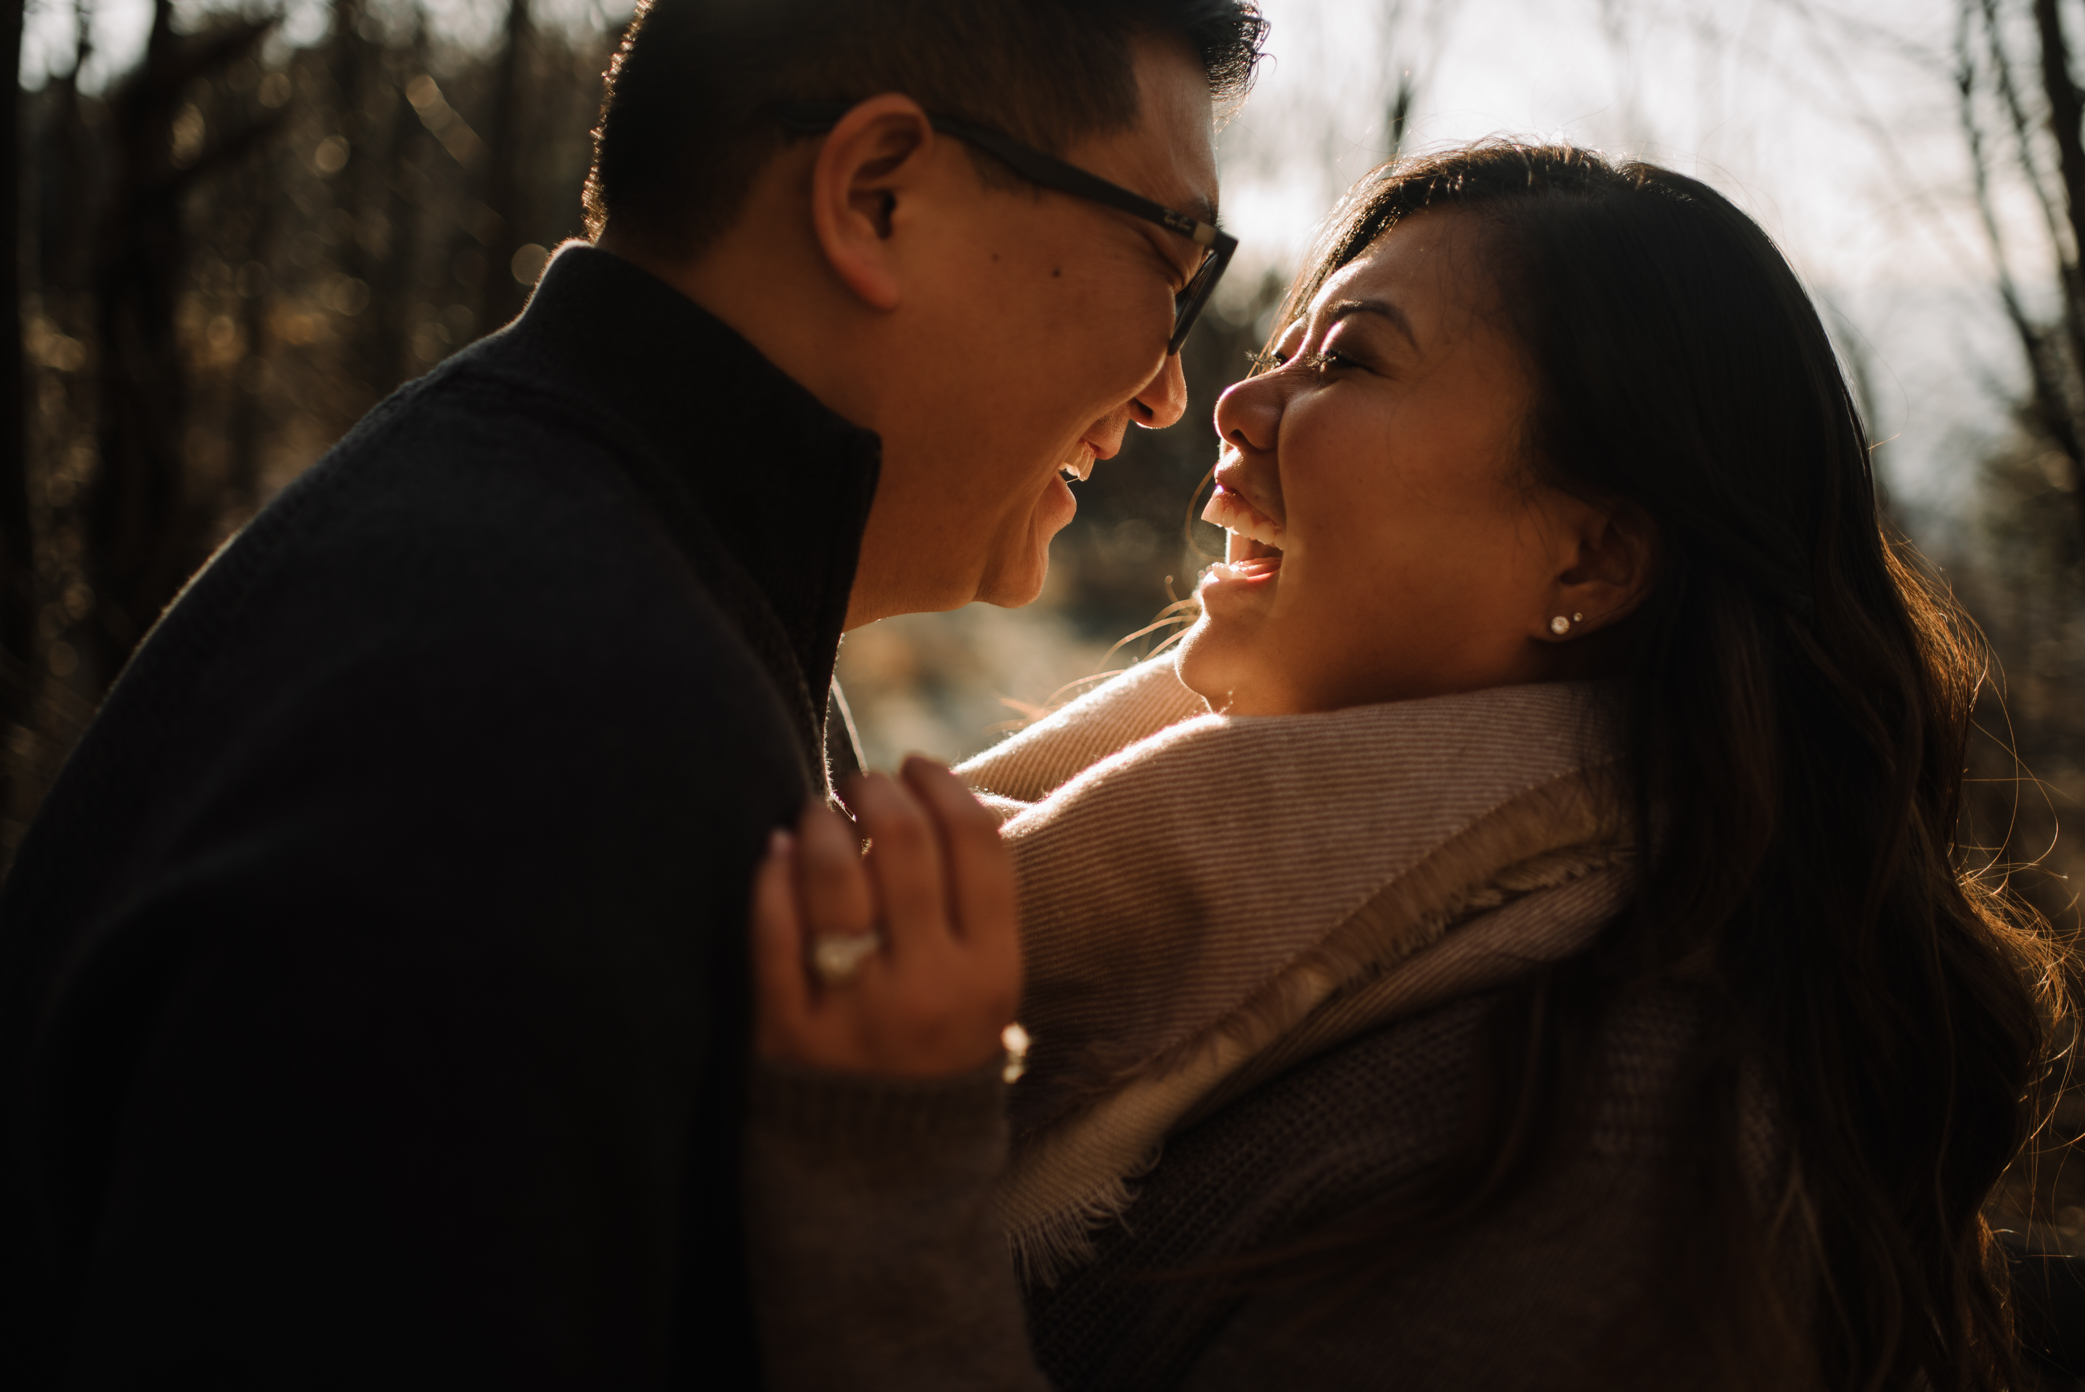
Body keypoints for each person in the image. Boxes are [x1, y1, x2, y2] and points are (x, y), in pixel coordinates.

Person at [0, 1, 1268, 1384]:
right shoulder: (537, 729)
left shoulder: (580, 555)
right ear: (876, 195)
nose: (1166, 390)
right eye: (1172, 258)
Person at [745, 143, 2073, 1390]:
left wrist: (890, 1195)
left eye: (1351, 365)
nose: (1236, 405)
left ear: (1590, 561)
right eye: (1279, 353)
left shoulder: (1607, 1156)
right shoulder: (1186, 880)